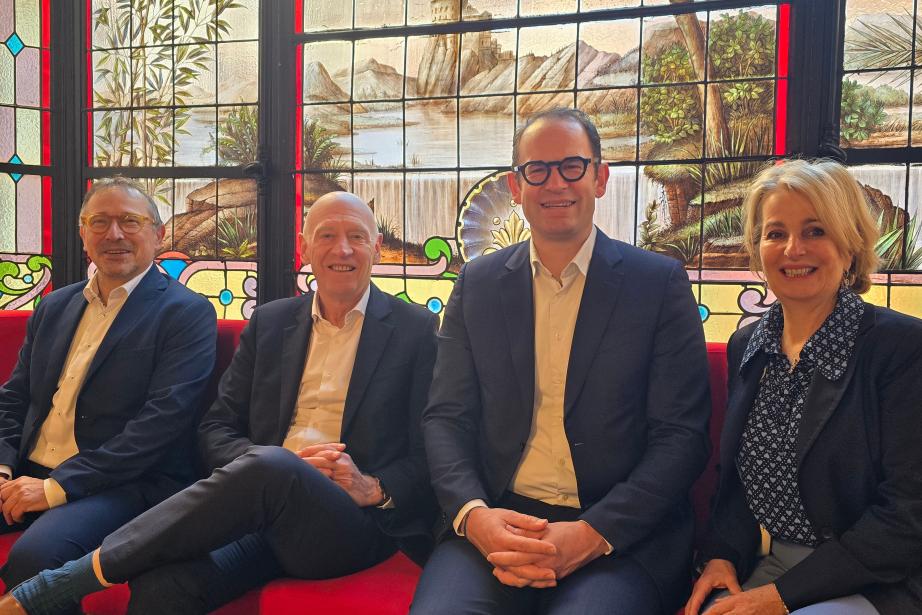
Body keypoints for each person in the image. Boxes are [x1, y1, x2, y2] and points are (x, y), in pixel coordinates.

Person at [0, 191, 439, 615]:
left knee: (272, 465)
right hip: (252, 513)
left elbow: (432, 452)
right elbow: (215, 427)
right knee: (163, 587)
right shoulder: (270, 323)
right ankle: (266, 471)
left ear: (377, 249)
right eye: (326, 235)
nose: (341, 248)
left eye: (357, 236)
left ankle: (60, 585)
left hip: (346, 523)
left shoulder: (417, 331)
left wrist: (372, 486)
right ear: (304, 248)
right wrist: (259, 468)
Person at [412, 108, 711, 615]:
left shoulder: (657, 284)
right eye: (538, 170)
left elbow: (681, 437)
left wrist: (594, 534)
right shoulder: (478, 284)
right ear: (516, 184)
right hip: (497, 520)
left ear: (600, 177)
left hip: (617, 532)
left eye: (572, 166)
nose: (556, 183)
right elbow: (446, 418)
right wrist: (475, 516)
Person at [684, 159, 922, 615]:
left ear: (850, 244)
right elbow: (733, 482)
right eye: (775, 233)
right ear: (757, 249)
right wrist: (722, 554)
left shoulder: (902, 349)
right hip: (775, 563)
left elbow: (907, 515)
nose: (793, 249)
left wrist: (779, 599)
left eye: (815, 231)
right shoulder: (746, 347)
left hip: (879, 576)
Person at [0, 177, 216, 596]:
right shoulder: (56, 306)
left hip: (123, 484)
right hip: (26, 470)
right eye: (99, 222)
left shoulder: (186, 313)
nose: (113, 234)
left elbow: (161, 424)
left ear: (159, 235)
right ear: (83, 234)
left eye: (130, 221)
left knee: (35, 558)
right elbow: (15, 398)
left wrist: (55, 488)